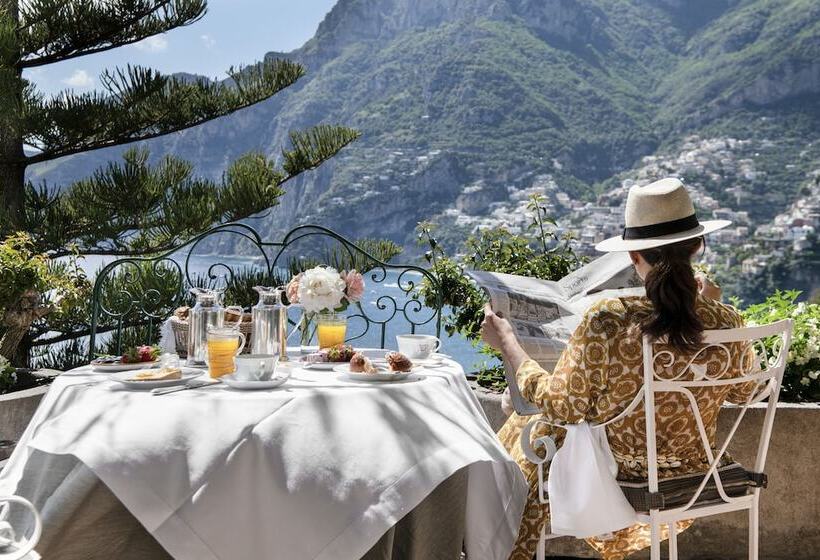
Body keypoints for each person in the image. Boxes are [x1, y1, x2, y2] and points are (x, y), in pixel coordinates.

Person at [481, 178, 757, 560]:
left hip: (618, 478)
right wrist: (711, 305)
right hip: (700, 475)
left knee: (533, 428)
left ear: (633, 257)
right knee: (530, 424)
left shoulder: (610, 320)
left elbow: (563, 407)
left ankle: (495, 547)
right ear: (696, 246)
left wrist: (509, 344)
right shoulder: (727, 321)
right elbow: (747, 392)